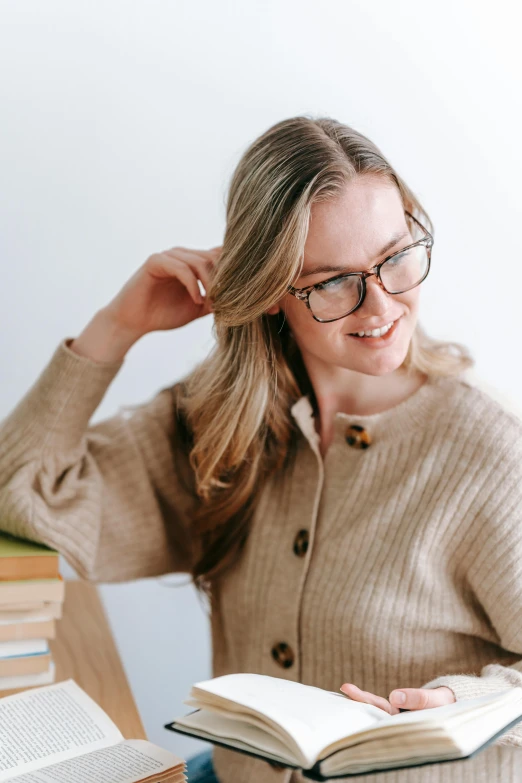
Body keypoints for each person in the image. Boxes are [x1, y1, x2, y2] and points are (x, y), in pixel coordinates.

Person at [1, 115, 522, 783]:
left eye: (396, 255)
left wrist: (460, 703)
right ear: (274, 291)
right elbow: (25, 494)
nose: (381, 304)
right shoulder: (228, 418)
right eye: (334, 280)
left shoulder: (491, 455)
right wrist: (117, 327)